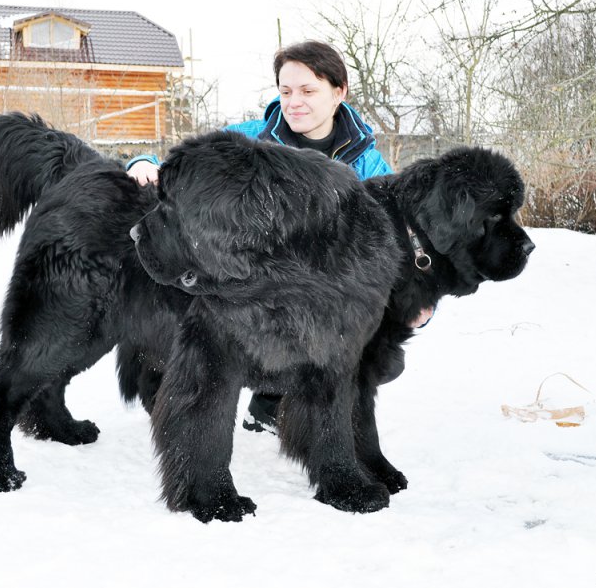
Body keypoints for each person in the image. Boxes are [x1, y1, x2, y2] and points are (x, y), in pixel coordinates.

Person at [126, 40, 433, 434]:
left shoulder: (367, 164)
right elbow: (184, 164)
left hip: (317, 298)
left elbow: (399, 247)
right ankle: (255, 394)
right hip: (247, 289)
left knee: (384, 359)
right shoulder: (250, 141)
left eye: (308, 91)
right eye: (286, 92)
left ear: (339, 92)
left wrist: (420, 307)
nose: (294, 103)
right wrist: (144, 164)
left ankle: (280, 403)